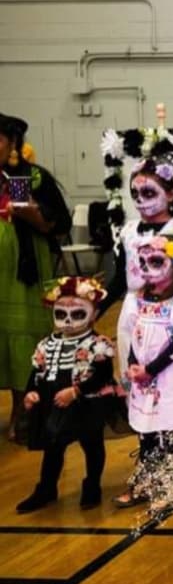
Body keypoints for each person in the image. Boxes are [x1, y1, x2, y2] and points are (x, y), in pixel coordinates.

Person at [114, 235, 173, 507]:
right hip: (146, 378)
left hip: (172, 378)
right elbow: (134, 334)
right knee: (147, 431)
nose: (147, 268)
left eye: (156, 262)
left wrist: (151, 369)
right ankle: (147, 479)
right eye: (143, 262)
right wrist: (134, 365)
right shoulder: (138, 299)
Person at [17, 277, 118, 513]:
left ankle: (92, 485)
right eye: (61, 315)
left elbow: (103, 374)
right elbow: (36, 372)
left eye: (77, 315)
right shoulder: (46, 344)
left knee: (91, 444)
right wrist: (32, 392)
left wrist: (76, 391)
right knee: (53, 447)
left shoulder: (97, 344)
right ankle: (46, 488)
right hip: (55, 401)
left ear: (93, 314)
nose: (69, 322)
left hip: (86, 401)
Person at [0, 113, 71, 442]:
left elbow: (59, 224)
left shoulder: (29, 177)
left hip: (21, 272)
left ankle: (22, 413)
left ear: (13, 144)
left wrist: (29, 211)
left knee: (21, 340)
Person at [99, 157, 173, 314]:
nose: (139, 199)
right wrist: (97, 307)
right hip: (135, 312)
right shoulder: (128, 231)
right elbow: (120, 280)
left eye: (148, 193)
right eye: (135, 193)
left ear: (171, 195)